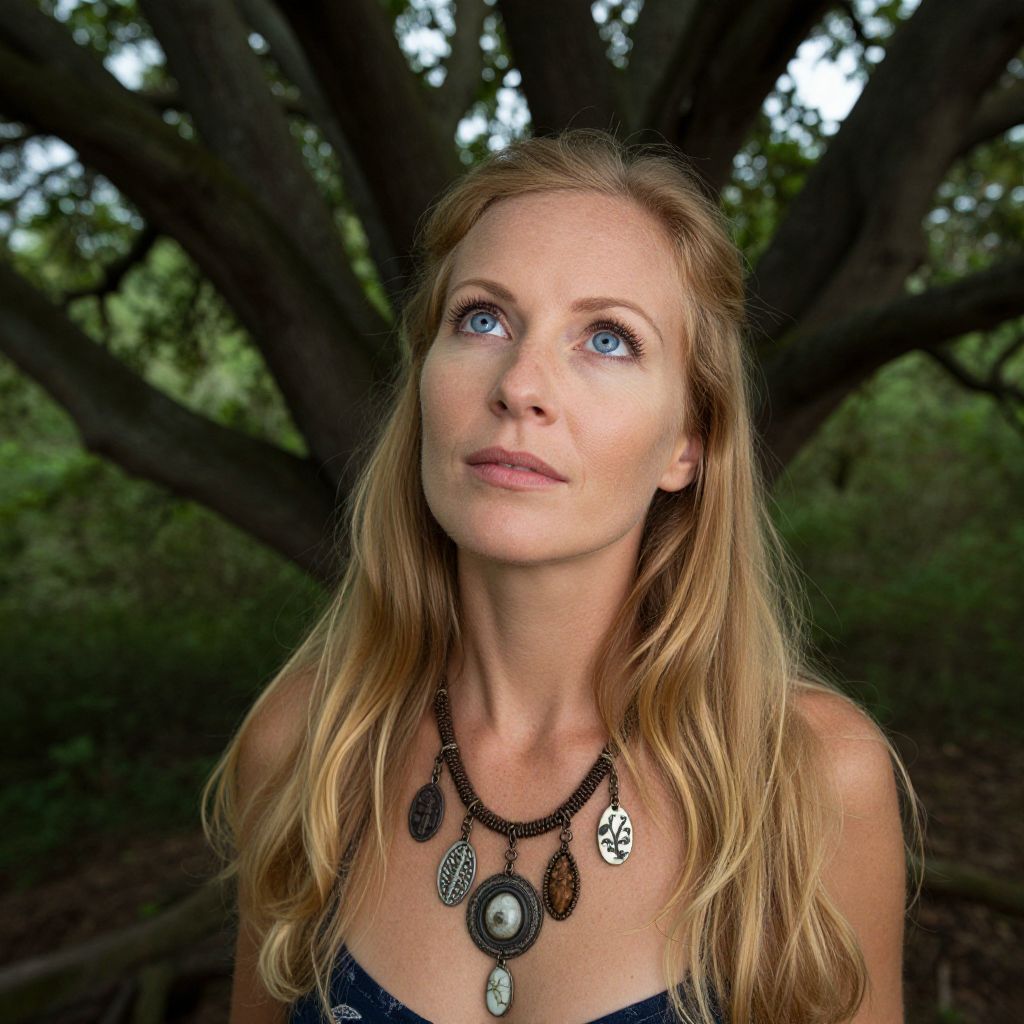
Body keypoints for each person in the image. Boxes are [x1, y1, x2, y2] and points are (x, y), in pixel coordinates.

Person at [204, 128, 923, 1024]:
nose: (521, 384)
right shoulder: (305, 747)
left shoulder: (810, 782)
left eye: (608, 339)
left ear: (688, 443)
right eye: (483, 319)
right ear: (423, 382)